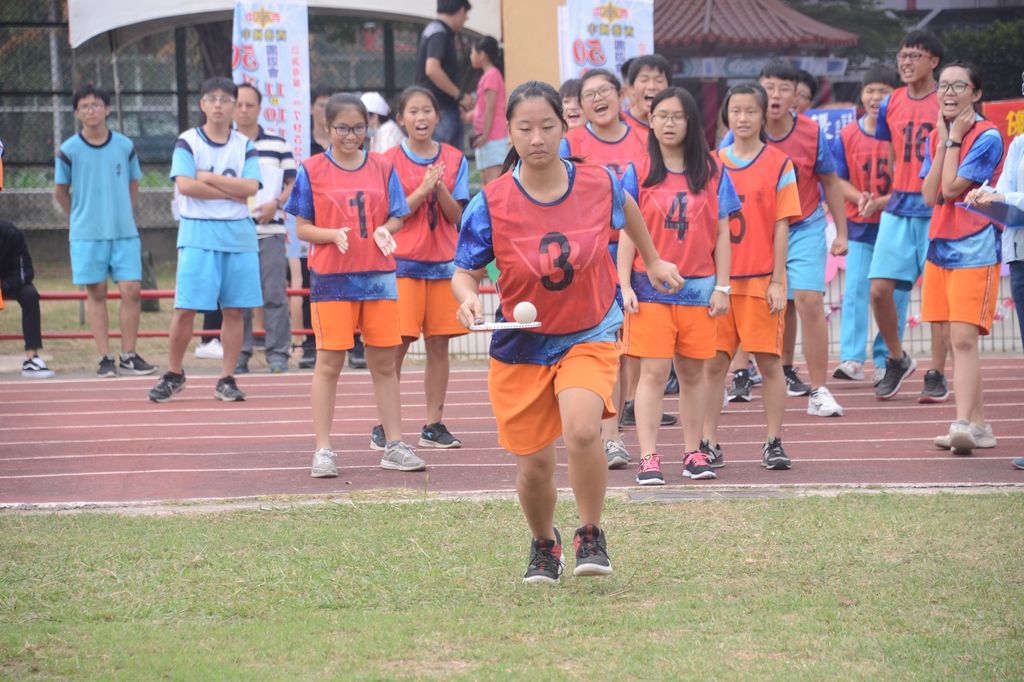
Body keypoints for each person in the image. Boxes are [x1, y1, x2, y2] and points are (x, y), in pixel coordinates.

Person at [452, 81, 682, 583]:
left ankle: (590, 533)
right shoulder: (491, 202)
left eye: (547, 126)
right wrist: (467, 298)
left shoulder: (597, 183)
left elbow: (629, 209)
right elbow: (463, 271)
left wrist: (652, 258)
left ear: (564, 126)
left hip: (589, 330)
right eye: (524, 128)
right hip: (521, 345)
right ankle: (544, 543)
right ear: (509, 132)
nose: (536, 138)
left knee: (581, 429)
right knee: (534, 467)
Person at [285, 93, 424, 476]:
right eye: (343, 128)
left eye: (358, 128)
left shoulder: (382, 166)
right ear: (327, 128)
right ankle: (323, 449)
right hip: (332, 280)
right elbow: (302, 228)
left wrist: (384, 229)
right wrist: (331, 235)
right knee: (330, 362)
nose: (351, 136)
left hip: (378, 280)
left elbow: (397, 216)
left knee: (384, 363)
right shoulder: (312, 169)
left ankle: (394, 444)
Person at [618, 87, 739, 484]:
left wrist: (723, 287)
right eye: (661, 116)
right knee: (653, 374)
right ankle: (648, 457)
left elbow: (723, 233)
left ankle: (693, 452)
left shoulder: (714, 171)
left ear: (691, 122)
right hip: (649, 292)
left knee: (693, 374)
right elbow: (626, 232)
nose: (669, 123)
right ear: (651, 122)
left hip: (699, 292)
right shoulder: (638, 171)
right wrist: (625, 285)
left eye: (677, 116)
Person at [561, 68, 675, 467]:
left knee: (628, 350)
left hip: (634, 253)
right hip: (588, 256)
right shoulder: (572, 142)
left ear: (620, 94)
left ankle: (616, 425)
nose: (598, 99)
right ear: (581, 105)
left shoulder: (644, 137)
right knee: (602, 343)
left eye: (604, 90)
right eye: (588, 94)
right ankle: (607, 436)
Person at [724, 60, 848, 417]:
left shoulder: (811, 133)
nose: (776, 95)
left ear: (797, 95)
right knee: (749, 300)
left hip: (804, 224)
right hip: (756, 230)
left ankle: (819, 389)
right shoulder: (736, 135)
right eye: (769, 87)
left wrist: (842, 232)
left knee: (808, 299)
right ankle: (742, 373)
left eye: (784, 88)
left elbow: (830, 181)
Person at [704, 83, 801, 471]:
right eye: (736, 111)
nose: (742, 118)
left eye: (750, 111)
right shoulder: (710, 164)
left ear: (763, 117)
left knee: (770, 363)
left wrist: (777, 281)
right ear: (726, 116)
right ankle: (707, 441)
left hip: (760, 281)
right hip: (719, 283)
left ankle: (774, 441)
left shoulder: (780, 164)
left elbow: (782, 224)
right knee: (713, 365)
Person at [148, 77, 262, 403]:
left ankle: (227, 377)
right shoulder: (187, 141)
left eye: (225, 99)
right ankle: (174, 373)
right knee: (185, 308)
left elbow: (251, 188)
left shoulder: (245, 145)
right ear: (202, 104)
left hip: (239, 235)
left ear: (234, 106)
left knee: (235, 311)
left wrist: (209, 178)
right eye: (212, 98)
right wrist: (231, 191)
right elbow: (186, 185)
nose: (218, 105)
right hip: (197, 232)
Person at [920, 61, 1004, 455]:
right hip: (940, 246)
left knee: (964, 339)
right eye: (943, 86)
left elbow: (953, 189)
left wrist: (953, 140)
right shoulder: (937, 136)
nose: (949, 93)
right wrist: (943, 142)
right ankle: (980, 425)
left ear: (976, 93)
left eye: (958, 86)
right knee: (957, 342)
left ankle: (964, 424)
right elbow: (929, 194)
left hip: (975, 246)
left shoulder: (988, 136)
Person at [384, 86, 470, 450]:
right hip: (402, 266)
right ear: (401, 119)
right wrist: (421, 191)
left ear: (437, 116)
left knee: (439, 346)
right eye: (413, 111)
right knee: (397, 345)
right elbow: (390, 216)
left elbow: (458, 216)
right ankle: (386, 424)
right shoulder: (388, 160)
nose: (421, 118)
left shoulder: (455, 158)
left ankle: (434, 423)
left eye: (427, 111)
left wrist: (440, 189)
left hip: (443, 267)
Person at [54, 83, 157, 378]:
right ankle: (104, 357)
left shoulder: (124, 145)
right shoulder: (69, 150)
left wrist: (125, 212)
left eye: (96, 105)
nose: (91, 110)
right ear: (77, 113)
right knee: (96, 292)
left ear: (108, 109)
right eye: (84, 106)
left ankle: (129, 355)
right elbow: (60, 191)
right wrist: (78, 217)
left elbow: (134, 183)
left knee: (132, 291)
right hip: (87, 234)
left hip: (124, 232)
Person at [871, 30, 948, 401]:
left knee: (937, 298)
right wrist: (887, 194)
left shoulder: (946, 100)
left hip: (936, 207)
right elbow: (891, 156)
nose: (905, 62)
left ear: (933, 61)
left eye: (914, 55)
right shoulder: (890, 103)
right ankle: (897, 358)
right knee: (878, 290)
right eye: (902, 55)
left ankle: (937, 373)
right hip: (898, 206)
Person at [833, 65, 905, 382]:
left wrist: (881, 202)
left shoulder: (902, 135)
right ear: (861, 95)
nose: (876, 97)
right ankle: (851, 359)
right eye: (870, 90)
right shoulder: (847, 135)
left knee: (893, 296)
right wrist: (861, 198)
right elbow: (837, 179)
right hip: (860, 225)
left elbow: (911, 182)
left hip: (896, 224)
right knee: (855, 292)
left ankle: (887, 358)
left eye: (883, 91)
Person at [232, 83, 297, 374]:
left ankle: (278, 354)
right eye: (239, 104)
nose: (244, 110)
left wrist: (276, 204)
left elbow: (294, 183)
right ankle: (239, 352)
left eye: (250, 105)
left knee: (274, 293)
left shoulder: (278, 145)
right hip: (234, 230)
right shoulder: (224, 144)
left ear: (259, 108)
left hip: (271, 230)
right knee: (237, 296)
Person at [415, 0, 473, 148]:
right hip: (441, 110)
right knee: (445, 157)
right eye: (465, 16)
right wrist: (459, 96)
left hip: (441, 109)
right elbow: (432, 69)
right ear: (461, 11)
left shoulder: (435, 30)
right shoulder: (439, 33)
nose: (465, 20)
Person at [0, 220, 53, 378]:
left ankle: (32, 359)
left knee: (30, 295)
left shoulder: (10, 233)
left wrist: (4, 286)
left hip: (10, 280)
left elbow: (26, 272)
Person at [468, 35, 507, 185]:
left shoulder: (492, 75)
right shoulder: (488, 76)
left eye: (472, 52)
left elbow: (491, 108)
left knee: (493, 180)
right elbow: (483, 106)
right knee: (486, 178)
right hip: (486, 137)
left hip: (493, 136)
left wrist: (485, 134)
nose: (471, 56)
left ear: (482, 55)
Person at [622, 54, 672, 144]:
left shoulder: (677, 126)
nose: (651, 86)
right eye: (644, 80)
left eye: (659, 80)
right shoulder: (618, 125)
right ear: (631, 88)